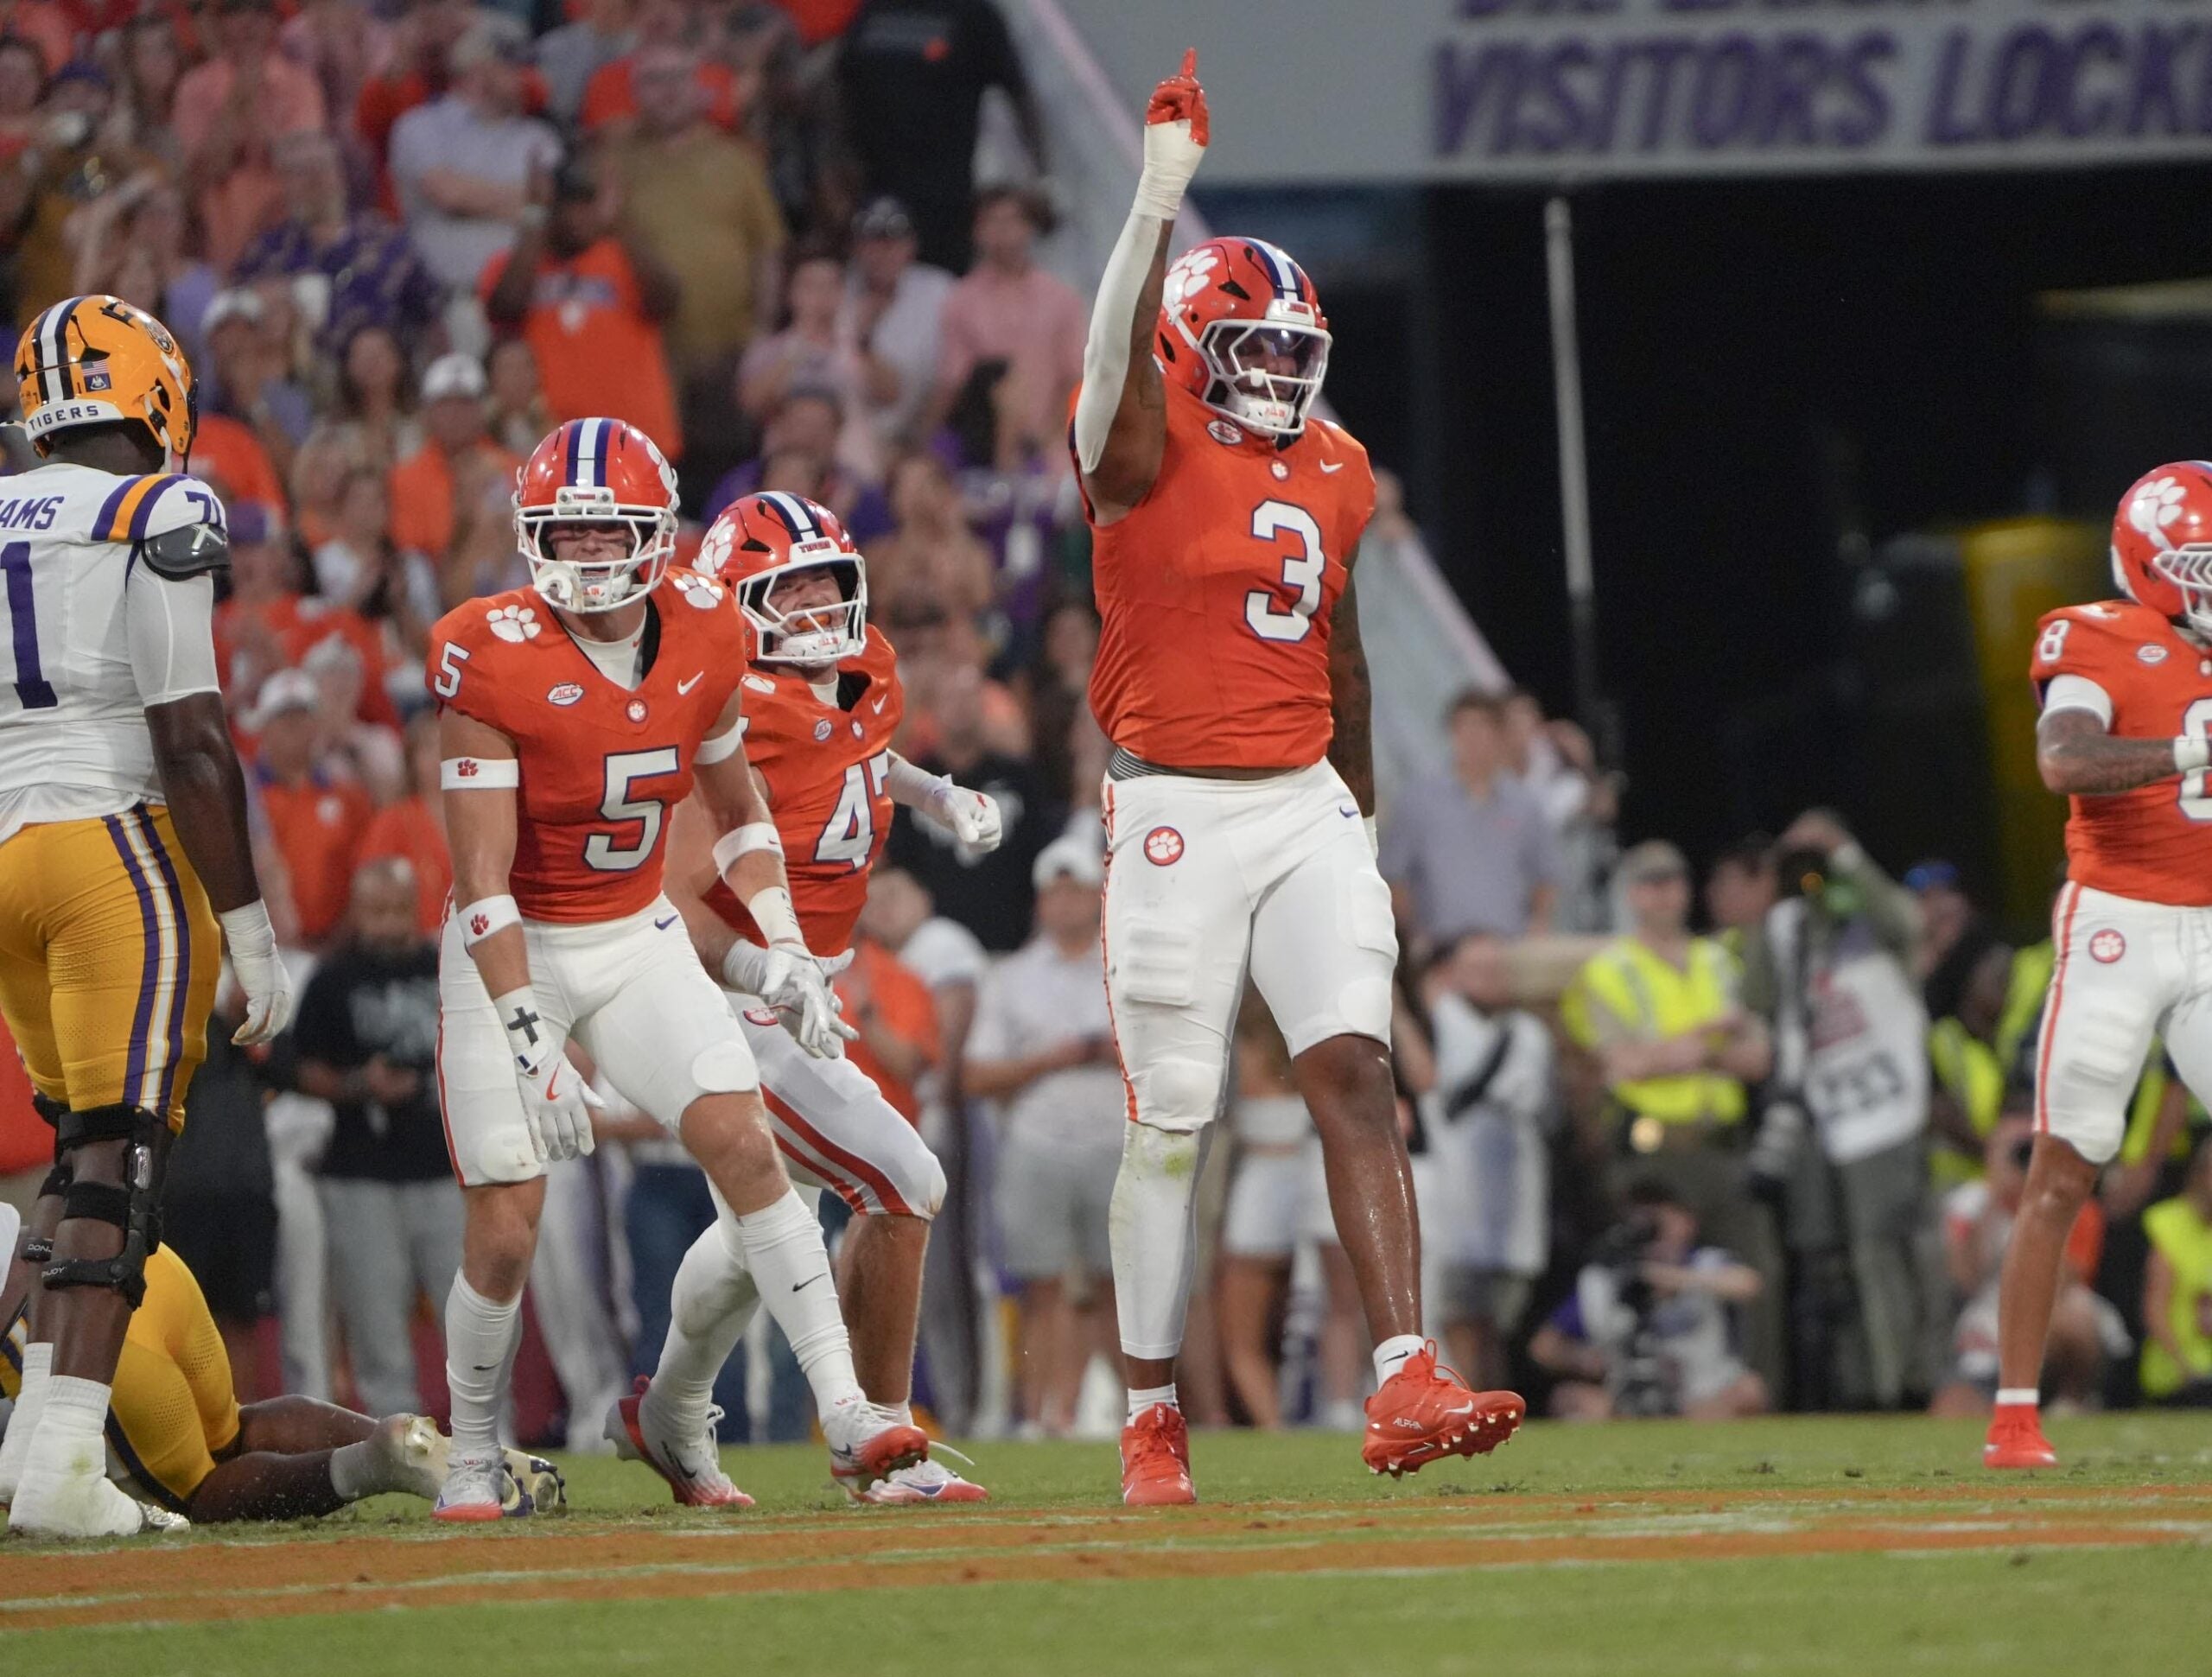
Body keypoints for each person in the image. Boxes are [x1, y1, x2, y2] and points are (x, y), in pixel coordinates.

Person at [1071, 55, 1522, 1505]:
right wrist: (1155, 202)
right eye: (1247, 348)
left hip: (1303, 799)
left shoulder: (1336, 464)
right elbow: (1104, 368)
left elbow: (1344, 660)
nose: (1273, 371)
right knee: (1174, 1120)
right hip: (1169, 808)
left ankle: (1404, 1374)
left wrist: (1368, 823)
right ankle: (1150, 1413)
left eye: (1290, 348)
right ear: (1193, 348)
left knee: (1356, 1071)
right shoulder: (1142, 442)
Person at [425, 419, 922, 1519]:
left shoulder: (704, 625)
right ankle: (470, 1450)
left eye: (613, 529)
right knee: (507, 1226)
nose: (593, 553)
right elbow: (481, 873)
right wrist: (527, 1034)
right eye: (572, 530)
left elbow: (737, 809)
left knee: (747, 1147)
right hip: (507, 946)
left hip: (632, 927)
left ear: (657, 536)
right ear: (532, 536)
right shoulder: (486, 647)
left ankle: (845, 1411)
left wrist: (783, 943)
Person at [639, 489, 998, 1506]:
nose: (809, 609)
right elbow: (670, 898)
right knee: (901, 1179)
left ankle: (665, 1412)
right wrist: (763, 971)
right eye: (783, 592)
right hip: (730, 989)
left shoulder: (863, 664)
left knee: (758, 1240)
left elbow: (854, 754)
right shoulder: (725, 707)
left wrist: (934, 796)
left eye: (822, 585)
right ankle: (881, 1441)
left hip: (813, 978)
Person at [0, 295, 292, 1540]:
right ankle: (65, 1458)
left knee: (74, 1146)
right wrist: (254, 923)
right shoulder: (156, 507)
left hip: (2, 849)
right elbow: (190, 733)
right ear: (156, 391)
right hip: (109, 842)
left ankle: (33, 1440)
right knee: (120, 1158)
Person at [1990, 462, 2212, 1466]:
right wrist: (2183, 753)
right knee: (2065, 1166)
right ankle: (2014, 1413)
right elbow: (2063, 760)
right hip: (2116, 923)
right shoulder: (2093, 634)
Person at [0, 1200, 556, 1523]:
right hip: (131, 1256)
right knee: (236, 1431)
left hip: (58, 1323)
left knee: (198, 1492)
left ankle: (379, 1459)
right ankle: (464, 1461)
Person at [1562, 840, 1780, 1385]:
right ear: (1632, 895)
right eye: (1650, 884)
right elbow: (1624, 1067)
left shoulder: (1717, 959)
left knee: (1755, 1275)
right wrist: (1709, 1037)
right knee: (1650, 1280)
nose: (1664, 895)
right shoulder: (1610, 970)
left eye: (1673, 882)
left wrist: (1670, 1053)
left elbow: (1756, 1058)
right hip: (1652, 1157)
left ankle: (1757, 1400)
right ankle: (1652, 1398)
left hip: (1721, 1142)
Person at [1748, 811, 1940, 1413]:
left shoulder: (1866, 919)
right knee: (1835, 1257)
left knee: (1892, 1247)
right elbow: (1755, 1004)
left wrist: (1844, 850)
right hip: (1816, 1109)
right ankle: (1864, 1384)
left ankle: (1906, 1383)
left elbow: (1904, 919)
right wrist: (1771, 887)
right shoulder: (1781, 931)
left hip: (1884, 1103)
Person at [965, 834, 1122, 1438]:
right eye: (1054, 891)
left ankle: (1137, 1412)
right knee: (1043, 1286)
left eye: (1076, 889)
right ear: (1039, 901)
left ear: (1098, 896)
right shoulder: (1011, 976)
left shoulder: (1123, 963)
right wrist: (1058, 1057)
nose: (1065, 902)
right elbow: (977, 1073)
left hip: (1116, 1142)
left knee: (1121, 1288)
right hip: (1037, 1143)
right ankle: (1039, 1416)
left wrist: (1108, 1052)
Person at [291, 858, 459, 1420]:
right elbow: (298, 1067)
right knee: (376, 1323)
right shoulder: (334, 977)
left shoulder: (448, 969)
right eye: (376, 911)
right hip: (361, 1171)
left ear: (417, 908)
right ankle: (399, 1438)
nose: (388, 924)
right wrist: (363, 1084)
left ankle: (490, 1429)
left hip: (445, 1166)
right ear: (358, 912)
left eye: (397, 910)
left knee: (470, 1313)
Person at [1418, 934, 1555, 1394]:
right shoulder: (1440, 1023)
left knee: (1500, 1325)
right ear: (1452, 975)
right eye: (1476, 968)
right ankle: (1476, 1405)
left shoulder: (1527, 1033)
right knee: (1461, 1316)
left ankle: (1498, 1407)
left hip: (1514, 1200)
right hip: (1456, 1202)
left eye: (1497, 968)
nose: (1489, 978)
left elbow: (1533, 1099)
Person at [481, 153, 682, 459]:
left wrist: (619, 221)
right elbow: (504, 308)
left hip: (633, 442)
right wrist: (534, 215)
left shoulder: (625, 259)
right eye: (566, 205)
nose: (576, 217)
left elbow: (666, 301)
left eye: (586, 204)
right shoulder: (521, 263)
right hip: (549, 444)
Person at [1529, 1179, 1770, 1421]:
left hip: (1702, 1393)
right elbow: (1543, 1347)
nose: (1651, 1227)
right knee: (1569, 1398)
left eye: (1661, 1217)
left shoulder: (1707, 1265)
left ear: (1688, 1222)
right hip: (1627, 1398)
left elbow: (1749, 1284)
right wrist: (1583, 1359)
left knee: (1749, 1390)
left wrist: (1672, 1278)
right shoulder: (1608, 1280)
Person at [836, 0, 1044, 270]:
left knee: (942, 294)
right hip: (875, 193)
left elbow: (1019, 94)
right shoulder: (871, 10)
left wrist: (1041, 177)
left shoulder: (972, 13)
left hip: (945, 202)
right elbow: (840, 86)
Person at [388, 16, 561, 295]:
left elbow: (552, 205)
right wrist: (526, 204)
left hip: (521, 295)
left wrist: (475, 197)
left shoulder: (538, 135)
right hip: (449, 293)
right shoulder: (420, 126)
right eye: (512, 67)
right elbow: (449, 194)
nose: (525, 77)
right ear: (477, 71)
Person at [1381, 690, 1560, 952]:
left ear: (1499, 735)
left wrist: (1537, 928)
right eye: (1464, 729)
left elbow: (1547, 875)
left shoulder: (1525, 805)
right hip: (1440, 950)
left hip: (1506, 950)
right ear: (1451, 734)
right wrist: (1414, 936)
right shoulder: (1417, 800)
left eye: (1482, 728)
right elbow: (1394, 876)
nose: (1473, 739)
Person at [921, 187, 1085, 467]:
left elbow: (1074, 378)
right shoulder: (961, 300)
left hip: (1051, 442)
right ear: (978, 231)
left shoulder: (1061, 299)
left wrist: (1049, 439)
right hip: (980, 444)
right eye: (993, 222)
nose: (1003, 232)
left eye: (1012, 221)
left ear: (1028, 228)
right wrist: (924, 439)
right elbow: (953, 383)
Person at [844, 196, 953, 452]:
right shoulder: (837, 291)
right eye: (873, 243)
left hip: (923, 429)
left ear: (911, 246)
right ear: (856, 247)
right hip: (852, 434)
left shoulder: (939, 290)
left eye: (893, 243)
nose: (883, 253)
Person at [2140, 1131, 2212, 1403]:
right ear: (2201, 1173)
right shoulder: (2169, 1223)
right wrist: (2185, 1368)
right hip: (2178, 1374)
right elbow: (2154, 1307)